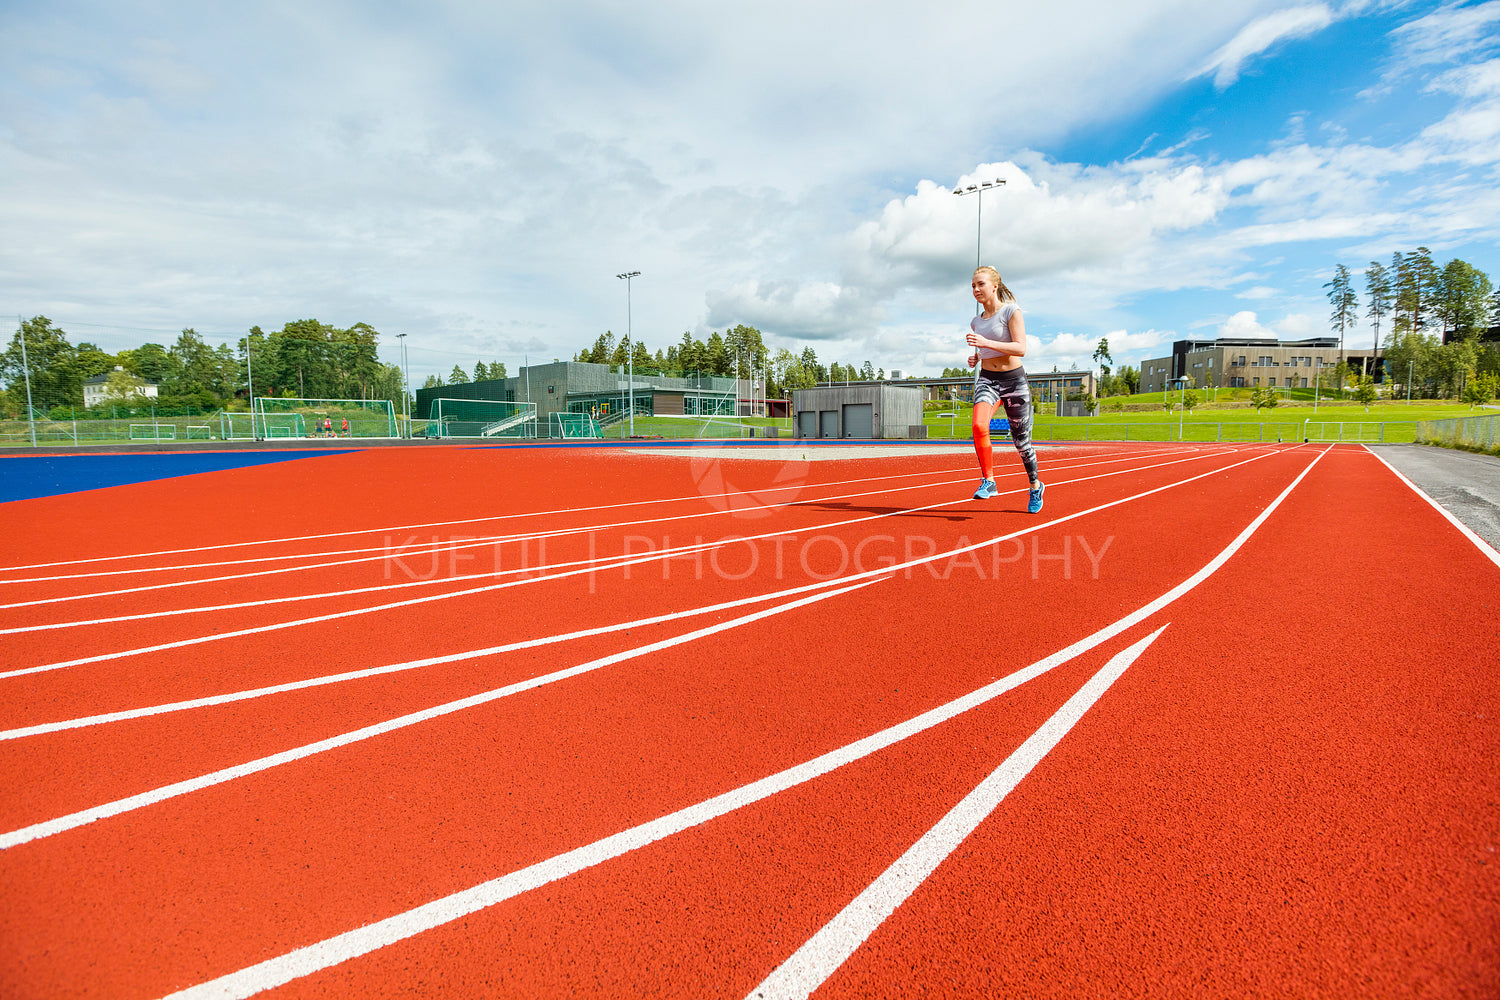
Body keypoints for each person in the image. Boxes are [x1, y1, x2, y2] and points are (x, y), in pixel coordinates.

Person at [965, 265, 1045, 512]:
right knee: (979, 425)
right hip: (988, 379)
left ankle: (1035, 486)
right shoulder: (976, 321)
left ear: (994, 286)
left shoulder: (1011, 311)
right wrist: (977, 358)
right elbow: (987, 348)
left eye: (980, 284)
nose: (976, 289)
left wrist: (985, 342)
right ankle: (989, 481)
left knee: (1022, 443)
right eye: (973, 286)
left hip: (1014, 381)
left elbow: (1020, 348)